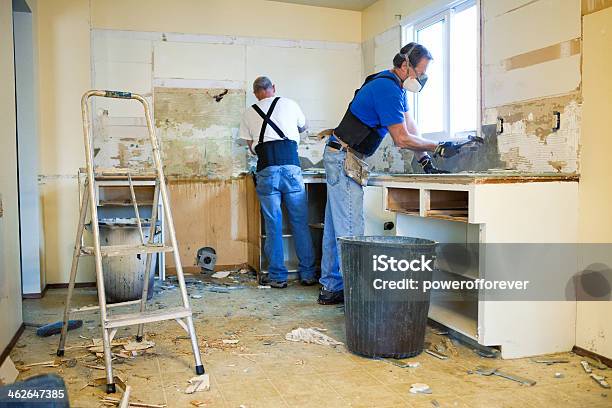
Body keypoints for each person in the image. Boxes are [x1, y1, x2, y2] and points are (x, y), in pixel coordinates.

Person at [318, 42, 465, 304]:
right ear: (405, 65)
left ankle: (331, 288)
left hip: (340, 155)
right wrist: (440, 145)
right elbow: (401, 139)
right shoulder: (386, 88)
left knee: (336, 228)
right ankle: (358, 300)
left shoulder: (396, 89)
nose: (422, 78)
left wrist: (427, 161)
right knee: (352, 231)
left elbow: (411, 129)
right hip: (344, 157)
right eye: (420, 72)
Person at [240, 76, 317, 289]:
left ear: (255, 93)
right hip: (292, 168)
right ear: (273, 88)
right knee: (300, 223)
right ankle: (308, 274)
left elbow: (251, 147)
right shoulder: (290, 103)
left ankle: (277, 277)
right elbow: (304, 127)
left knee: (273, 224)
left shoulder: (248, 113)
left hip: (267, 169)